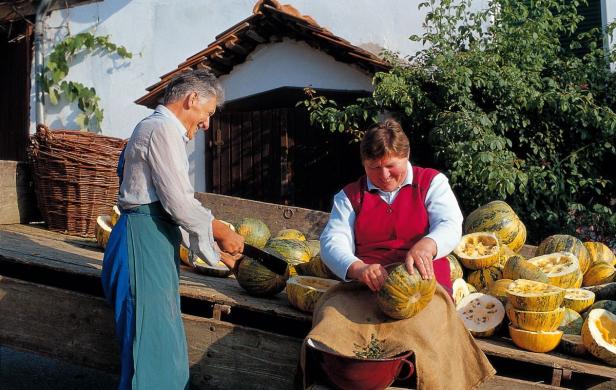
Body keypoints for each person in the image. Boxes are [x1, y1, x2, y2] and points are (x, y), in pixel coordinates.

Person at [101, 69, 244, 390]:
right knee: (153, 356)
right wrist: (220, 231)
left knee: (159, 352)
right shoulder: (162, 130)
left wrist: (213, 250)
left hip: (149, 242)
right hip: (141, 244)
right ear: (192, 99)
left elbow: (167, 205)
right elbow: (178, 201)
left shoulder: (156, 129)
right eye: (207, 113)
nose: (207, 124)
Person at [320, 118, 463, 292]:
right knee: (330, 318)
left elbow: (450, 224)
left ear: (407, 155)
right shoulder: (349, 196)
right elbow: (332, 241)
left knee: (434, 319)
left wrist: (428, 244)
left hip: (426, 283)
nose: (384, 175)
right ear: (364, 163)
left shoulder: (432, 182)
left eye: (390, 165)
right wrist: (358, 268)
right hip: (368, 288)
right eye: (373, 167)